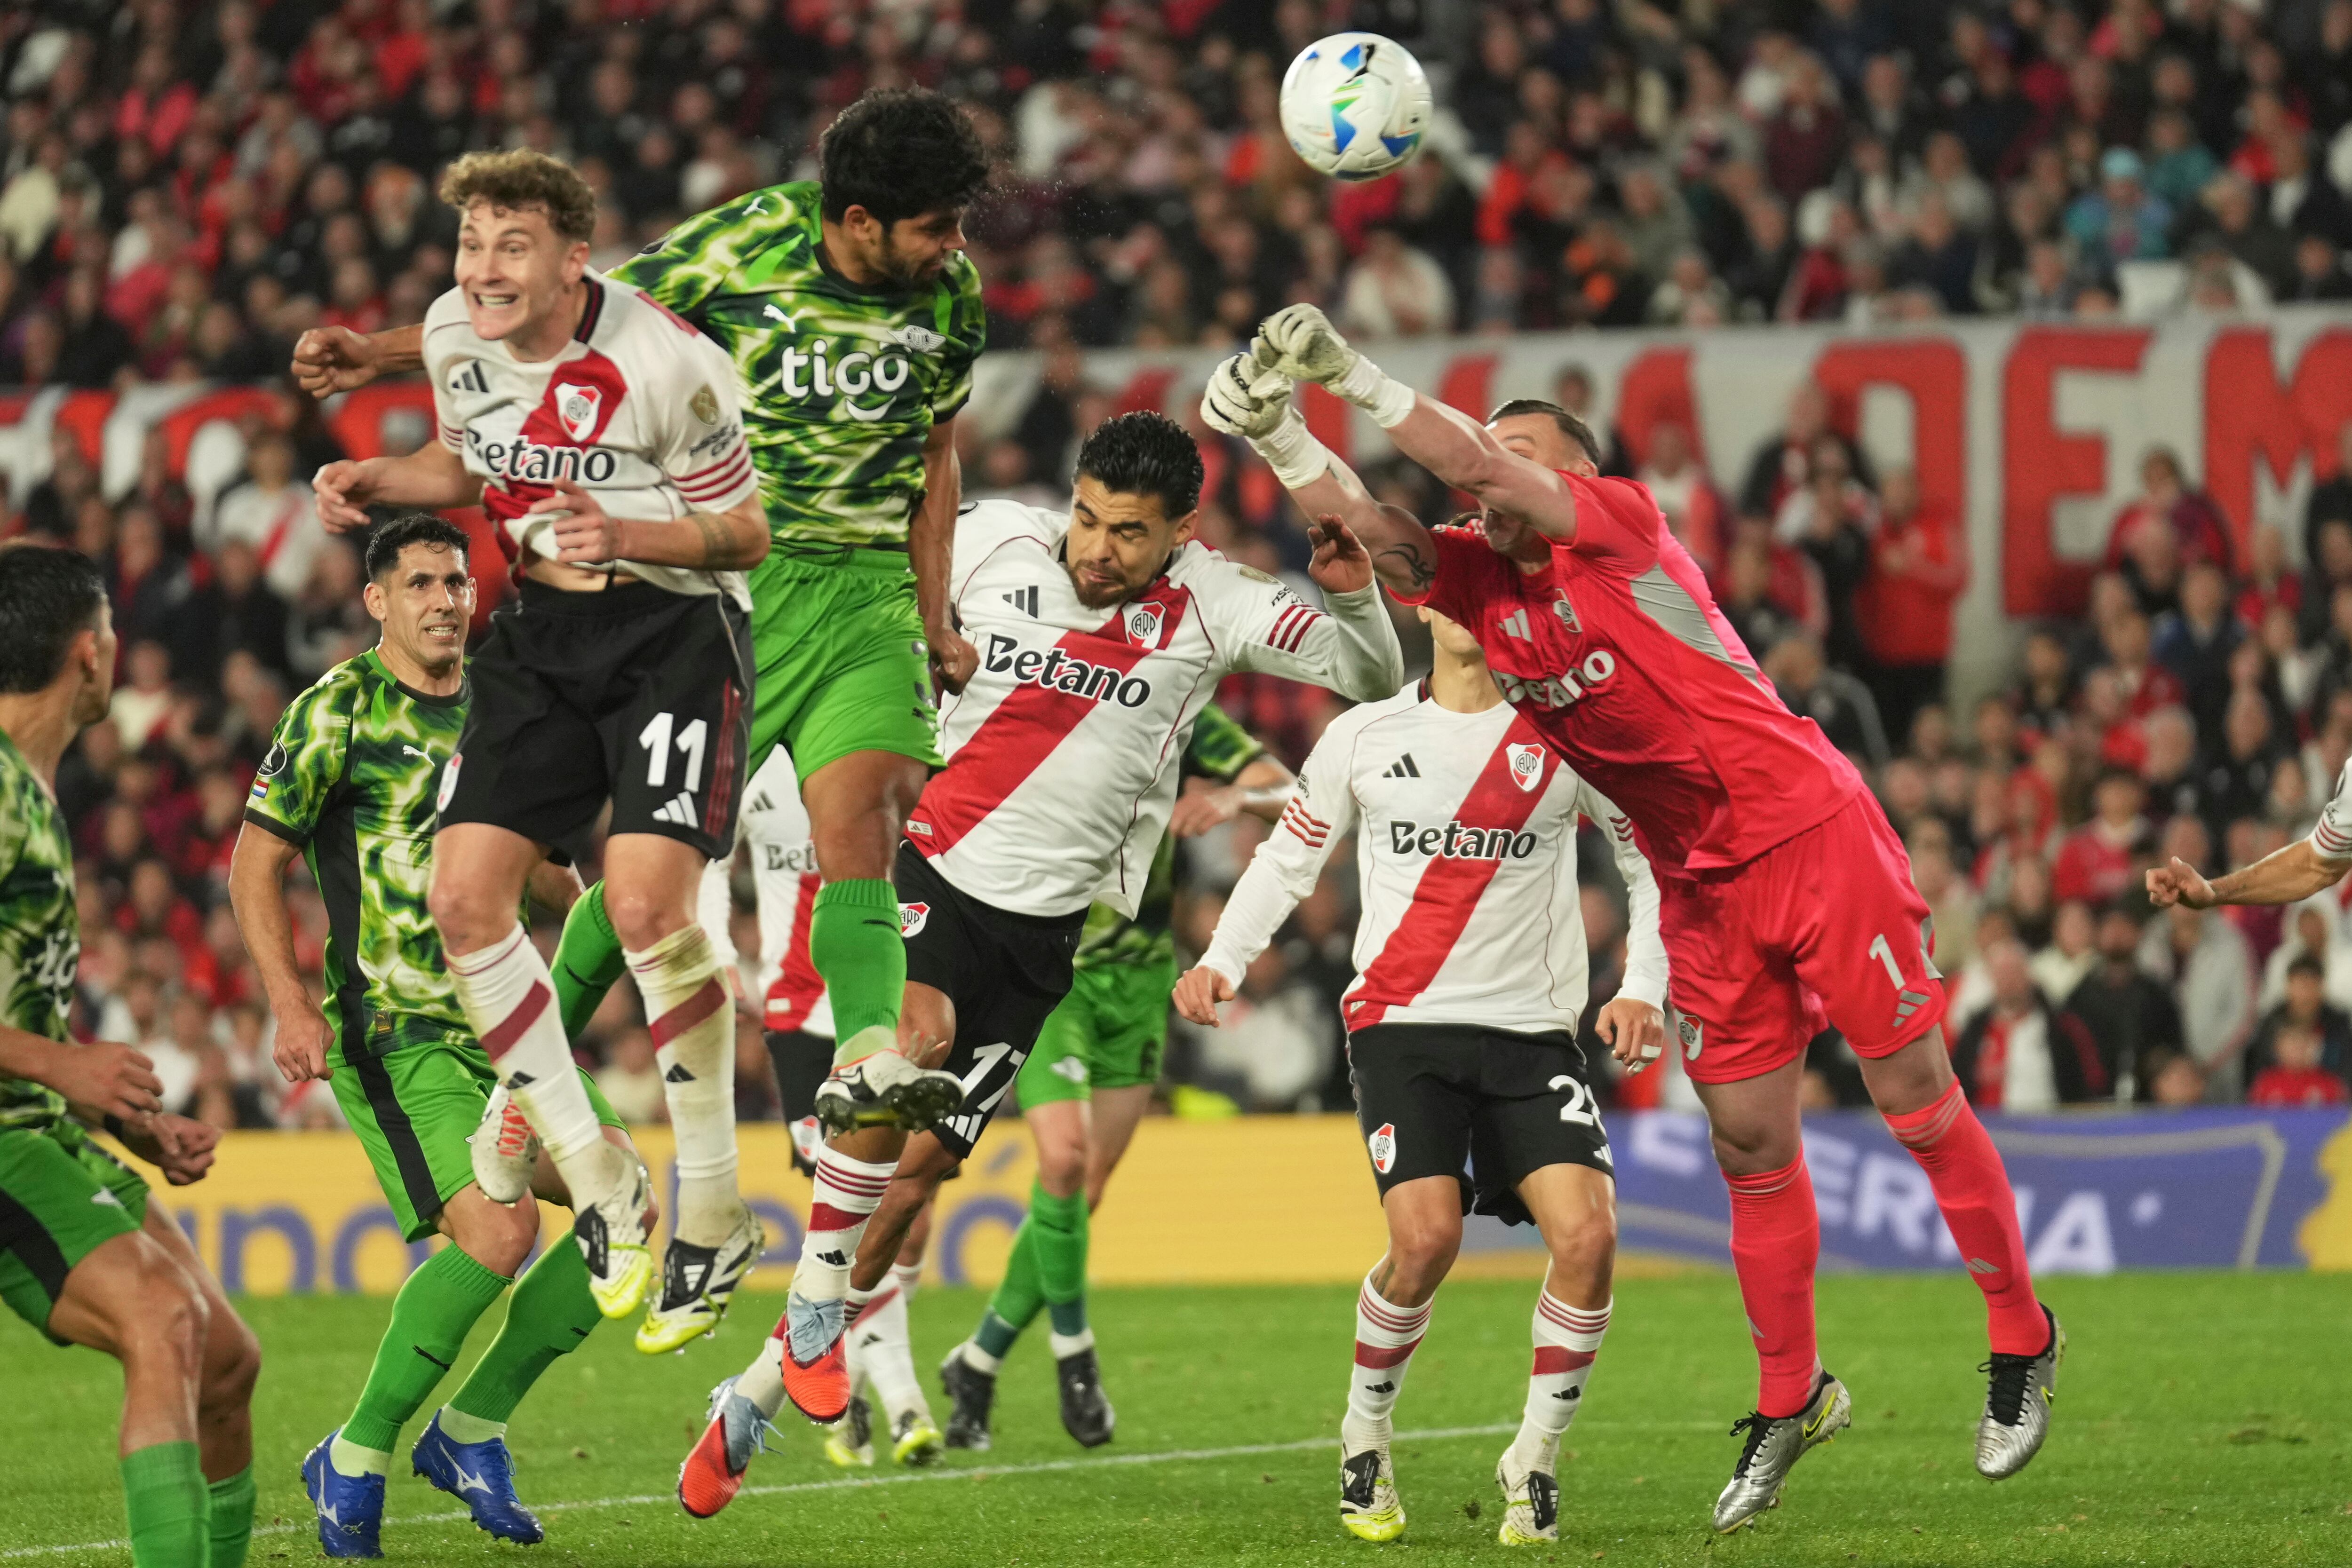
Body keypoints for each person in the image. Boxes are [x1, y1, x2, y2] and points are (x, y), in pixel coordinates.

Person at [1202, 305, 2060, 1531]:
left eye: (1520, 455)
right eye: (1488, 457)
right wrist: (1284, 431)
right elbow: (1382, 534)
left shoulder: (1625, 532)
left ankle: (2022, 1334)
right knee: (1754, 1145)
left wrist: (1355, 373)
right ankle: (1790, 1396)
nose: (1491, 476)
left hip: (1809, 833)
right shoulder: (1487, 583)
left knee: (1915, 1093)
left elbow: (1473, 467)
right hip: (1701, 883)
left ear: (1578, 476)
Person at [675, 412, 1405, 1519]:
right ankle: (820, 1329)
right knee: (903, 1045)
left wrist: (1352, 591)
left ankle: (761, 1383)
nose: (1097, 548)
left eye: (1128, 532)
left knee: (918, 1175)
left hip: (1048, 935)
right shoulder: (997, 541)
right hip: (931, 869)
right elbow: (882, 549)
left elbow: (1374, 669)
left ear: (1182, 530)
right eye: (1089, 517)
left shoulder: (1221, 601)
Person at [292, 88, 993, 1173]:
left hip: (863, 594)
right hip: (723, 581)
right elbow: (569, 313)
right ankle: (529, 1097)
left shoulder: (952, 297)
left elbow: (936, 452)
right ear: (859, 221)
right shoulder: (744, 243)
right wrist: (382, 357)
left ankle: (865, 1053)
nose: (955, 247)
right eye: (936, 226)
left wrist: (934, 607)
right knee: (641, 880)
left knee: (865, 810)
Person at [302, 150, 770, 1346]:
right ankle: (600, 1175)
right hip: (541, 632)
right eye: (471, 244)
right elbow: (469, 466)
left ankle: (714, 1208)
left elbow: (748, 532)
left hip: (672, 629)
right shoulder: (455, 334)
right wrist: (375, 473)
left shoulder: (668, 364)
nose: (484, 269)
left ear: (575, 257)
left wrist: (631, 525)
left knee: (652, 908)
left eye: (513, 246)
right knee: (464, 901)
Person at [1169, 603, 1668, 1546]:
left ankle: (1535, 1458)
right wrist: (1223, 959)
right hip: (1403, 1028)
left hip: (1531, 1034)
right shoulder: (1362, 734)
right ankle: (1365, 1433)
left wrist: (1643, 984)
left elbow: (1649, 865)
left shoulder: (1564, 734)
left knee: (1590, 1237)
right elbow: (1289, 857)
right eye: (1454, 589)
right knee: (1427, 1238)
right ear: (1426, 606)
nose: (1470, 607)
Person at [228, 514, 650, 1554]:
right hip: (399, 1027)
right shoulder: (337, 710)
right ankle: (358, 1452)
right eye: (419, 583)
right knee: (502, 1233)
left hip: (506, 1021)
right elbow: (254, 862)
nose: (444, 601)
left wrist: (592, 904)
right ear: (378, 600)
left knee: (627, 1207)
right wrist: (288, 1000)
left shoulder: (503, 703)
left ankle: (470, 1428)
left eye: (457, 582)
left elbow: (539, 858)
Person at [936, 704, 1293, 1454]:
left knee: (1085, 1186)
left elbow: (1285, 788)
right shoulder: (1036, 693)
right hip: (1051, 971)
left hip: (1140, 979)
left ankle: (978, 1360)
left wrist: (1232, 797)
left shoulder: (1177, 704)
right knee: (1062, 1160)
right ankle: (1075, 1354)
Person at [0, 545, 260, 1568]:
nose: (117, 647)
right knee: (162, 1316)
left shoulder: (33, 790)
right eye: (111, 630)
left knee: (228, 1360)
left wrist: (130, 1119)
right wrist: (64, 1069)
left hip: (41, 1124)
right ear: (88, 651)